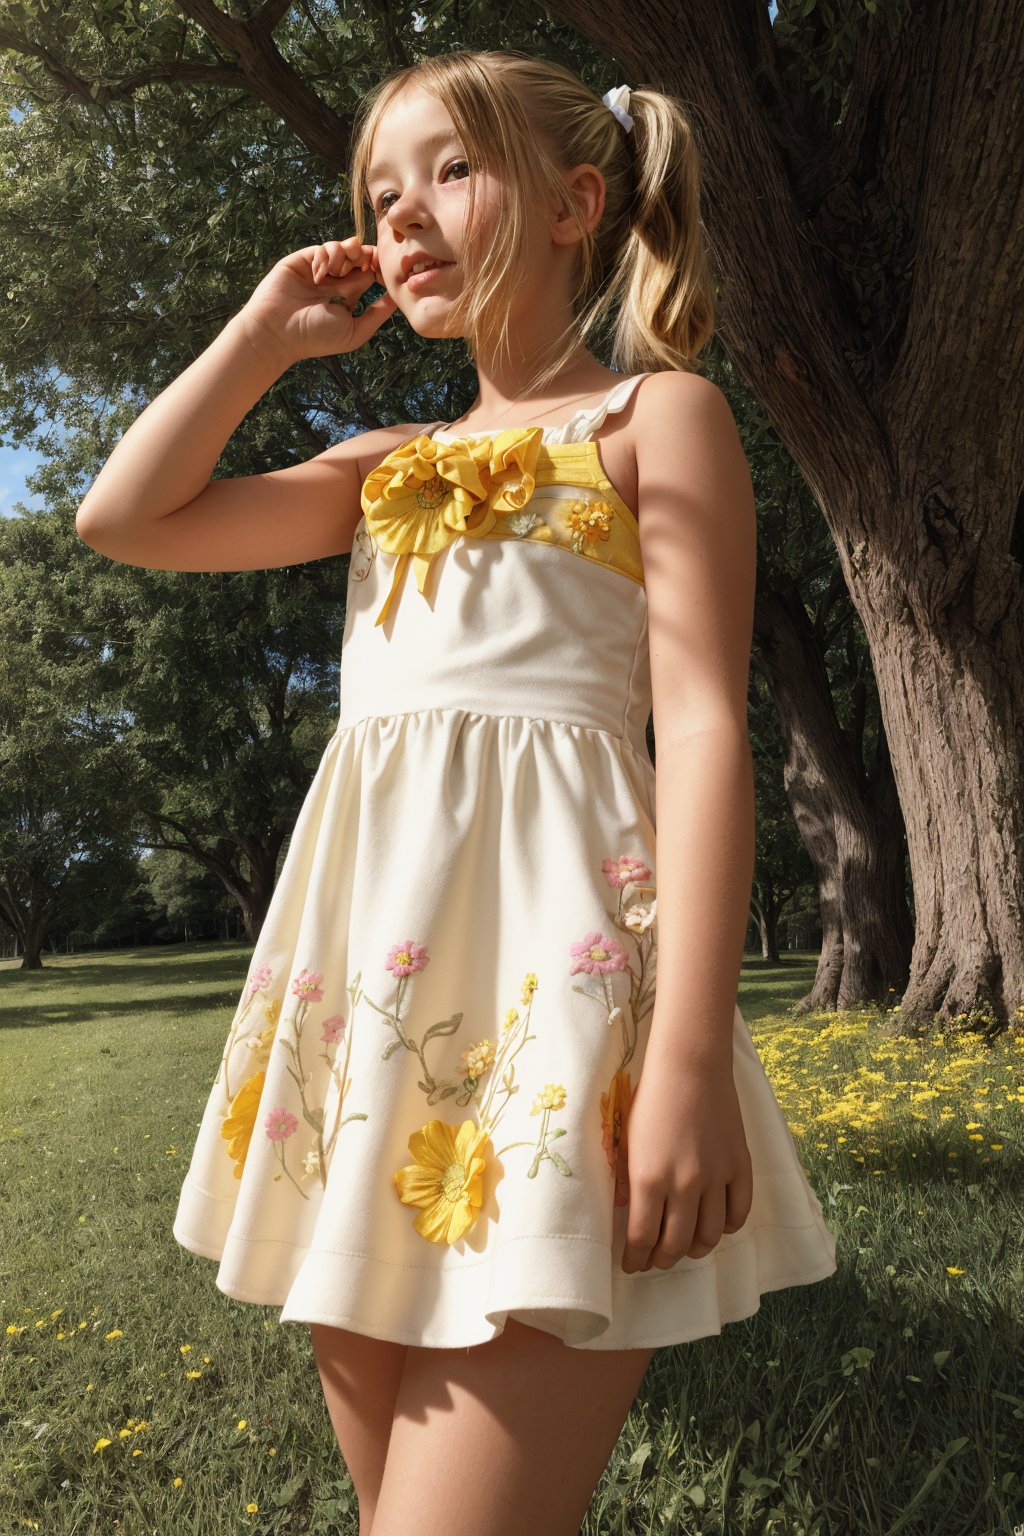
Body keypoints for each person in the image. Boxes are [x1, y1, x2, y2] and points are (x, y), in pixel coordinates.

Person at [75, 47, 838, 1536]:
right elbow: (126, 518)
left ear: (575, 202)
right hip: (373, 1024)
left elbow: (701, 731)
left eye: (451, 170)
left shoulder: (652, 419)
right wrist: (257, 338)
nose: (402, 213)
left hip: (565, 1007)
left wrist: (688, 1059)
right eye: (378, 190)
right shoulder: (382, 461)